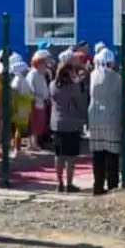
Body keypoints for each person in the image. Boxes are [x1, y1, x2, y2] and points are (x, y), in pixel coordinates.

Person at [87, 49, 123, 195]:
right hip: (111, 117)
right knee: (112, 155)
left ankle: (98, 185)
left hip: (95, 117)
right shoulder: (117, 77)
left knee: (98, 154)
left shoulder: (92, 75)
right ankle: (113, 185)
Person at [50, 63, 87, 193]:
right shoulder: (73, 87)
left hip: (57, 123)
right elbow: (79, 104)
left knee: (58, 155)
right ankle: (69, 184)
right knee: (71, 156)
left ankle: (59, 183)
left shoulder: (53, 85)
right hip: (71, 124)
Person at [27, 50, 52, 151]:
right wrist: (39, 96)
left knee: (39, 124)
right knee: (34, 123)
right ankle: (33, 143)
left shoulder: (41, 74)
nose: (46, 66)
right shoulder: (33, 74)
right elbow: (31, 89)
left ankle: (34, 143)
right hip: (35, 102)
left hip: (41, 102)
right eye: (44, 63)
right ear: (38, 63)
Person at [10, 55, 34, 157]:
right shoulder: (18, 80)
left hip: (24, 106)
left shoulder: (22, 79)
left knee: (20, 128)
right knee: (18, 129)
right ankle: (16, 149)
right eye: (25, 70)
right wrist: (15, 107)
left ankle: (18, 148)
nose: (26, 71)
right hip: (20, 107)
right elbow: (16, 94)